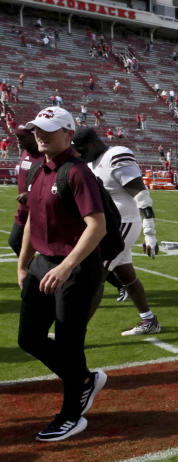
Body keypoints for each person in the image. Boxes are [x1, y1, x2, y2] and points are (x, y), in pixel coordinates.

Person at [17, 107, 107, 442]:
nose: (40, 135)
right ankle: (84, 379)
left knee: (70, 344)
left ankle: (72, 415)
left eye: (49, 130)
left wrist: (66, 265)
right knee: (29, 337)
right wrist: (23, 263)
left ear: (68, 134)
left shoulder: (77, 172)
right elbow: (30, 219)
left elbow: (97, 226)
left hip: (76, 268)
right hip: (44, 264)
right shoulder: (39, 169)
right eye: (38, 129)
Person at [72, 127, 161, 335]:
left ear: (93, 144)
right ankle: (149, 320)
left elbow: (142, 196)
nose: (81, 155)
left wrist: (150, 233)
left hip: (124, 222)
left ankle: (74, 332)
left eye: (82, 150)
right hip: (109, 224)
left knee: (95, 275)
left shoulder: (116, 155)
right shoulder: (92, 161)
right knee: (126, 274)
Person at [10, 125, 42, 256]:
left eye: (22, 137)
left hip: (39, 211)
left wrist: (31, 195)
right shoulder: (25, 152)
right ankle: (33, 273)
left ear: (33, 136)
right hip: (23, 211)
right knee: (15, 241)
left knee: (48, 250)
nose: (19, 140)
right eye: (17, 137)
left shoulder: (45, 155)